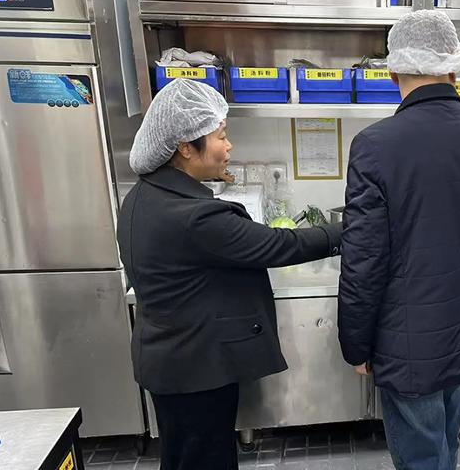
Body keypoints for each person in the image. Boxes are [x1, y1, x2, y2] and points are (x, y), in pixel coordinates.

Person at [117, 79, 342, 470]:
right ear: (185, 147)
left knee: (186, 457)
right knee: (205, 459)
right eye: (221, 136)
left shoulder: (142, 195)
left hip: (170, 361)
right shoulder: (194, 217)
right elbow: (280, 245)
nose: (229, 146)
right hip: (196, 370)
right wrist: (348, 231)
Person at [337, 10, 460, 470]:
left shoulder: (374, 146)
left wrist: (356, 344)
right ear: (454, 70)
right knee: (445, 446)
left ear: (393, 73)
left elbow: (363, 260)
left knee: (421, 457)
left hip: (406, 346)